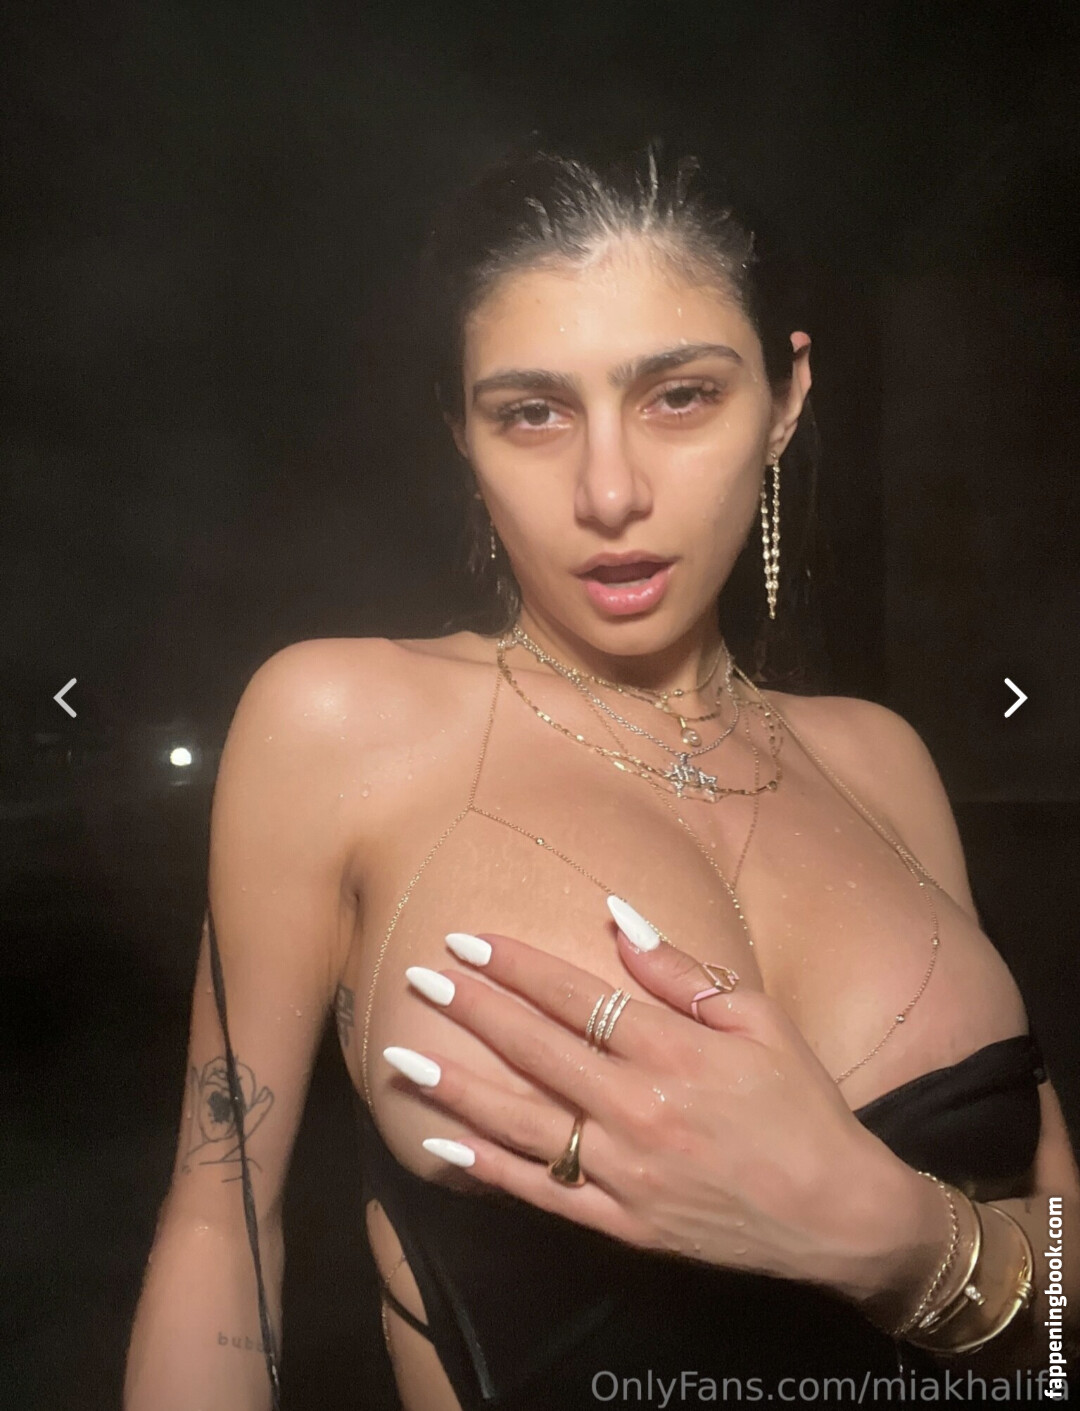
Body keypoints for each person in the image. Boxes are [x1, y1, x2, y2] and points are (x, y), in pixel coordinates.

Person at [125, 141, 1079, 1411]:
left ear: (785, 397)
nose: (610, 490)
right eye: (533, 411)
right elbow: (222, 1229)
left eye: (680, 395)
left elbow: (1058, 1314)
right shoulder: (341, 723)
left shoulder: (882, 760)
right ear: (461, 432)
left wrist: (897, 1241)